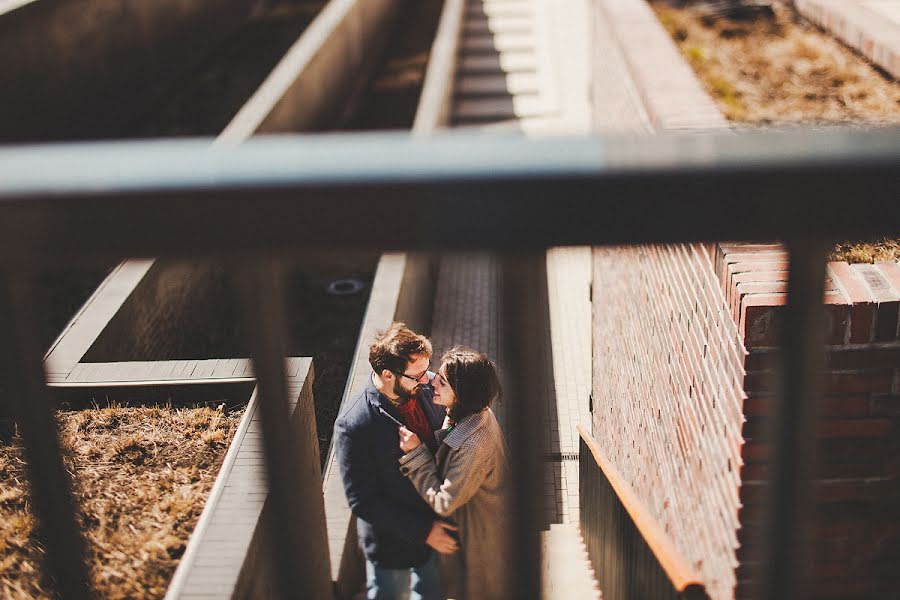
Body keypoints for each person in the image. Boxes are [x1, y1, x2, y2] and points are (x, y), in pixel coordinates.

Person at [334, 322, 459, 600]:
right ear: (388, 375)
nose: (426, 380)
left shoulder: (423, 389)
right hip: (393, 544)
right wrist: (425, 531)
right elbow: (362, 500)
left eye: (426, 371)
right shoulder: (354, 425)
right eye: (416, 376)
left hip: (433, 530)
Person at [398, 347, 510, 600]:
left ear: (461, 394)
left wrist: (415, 455)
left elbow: (444, 501)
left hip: (480, 539)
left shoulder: (473, 445)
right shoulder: (473, 412)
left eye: (442, 381)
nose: (431, 380)